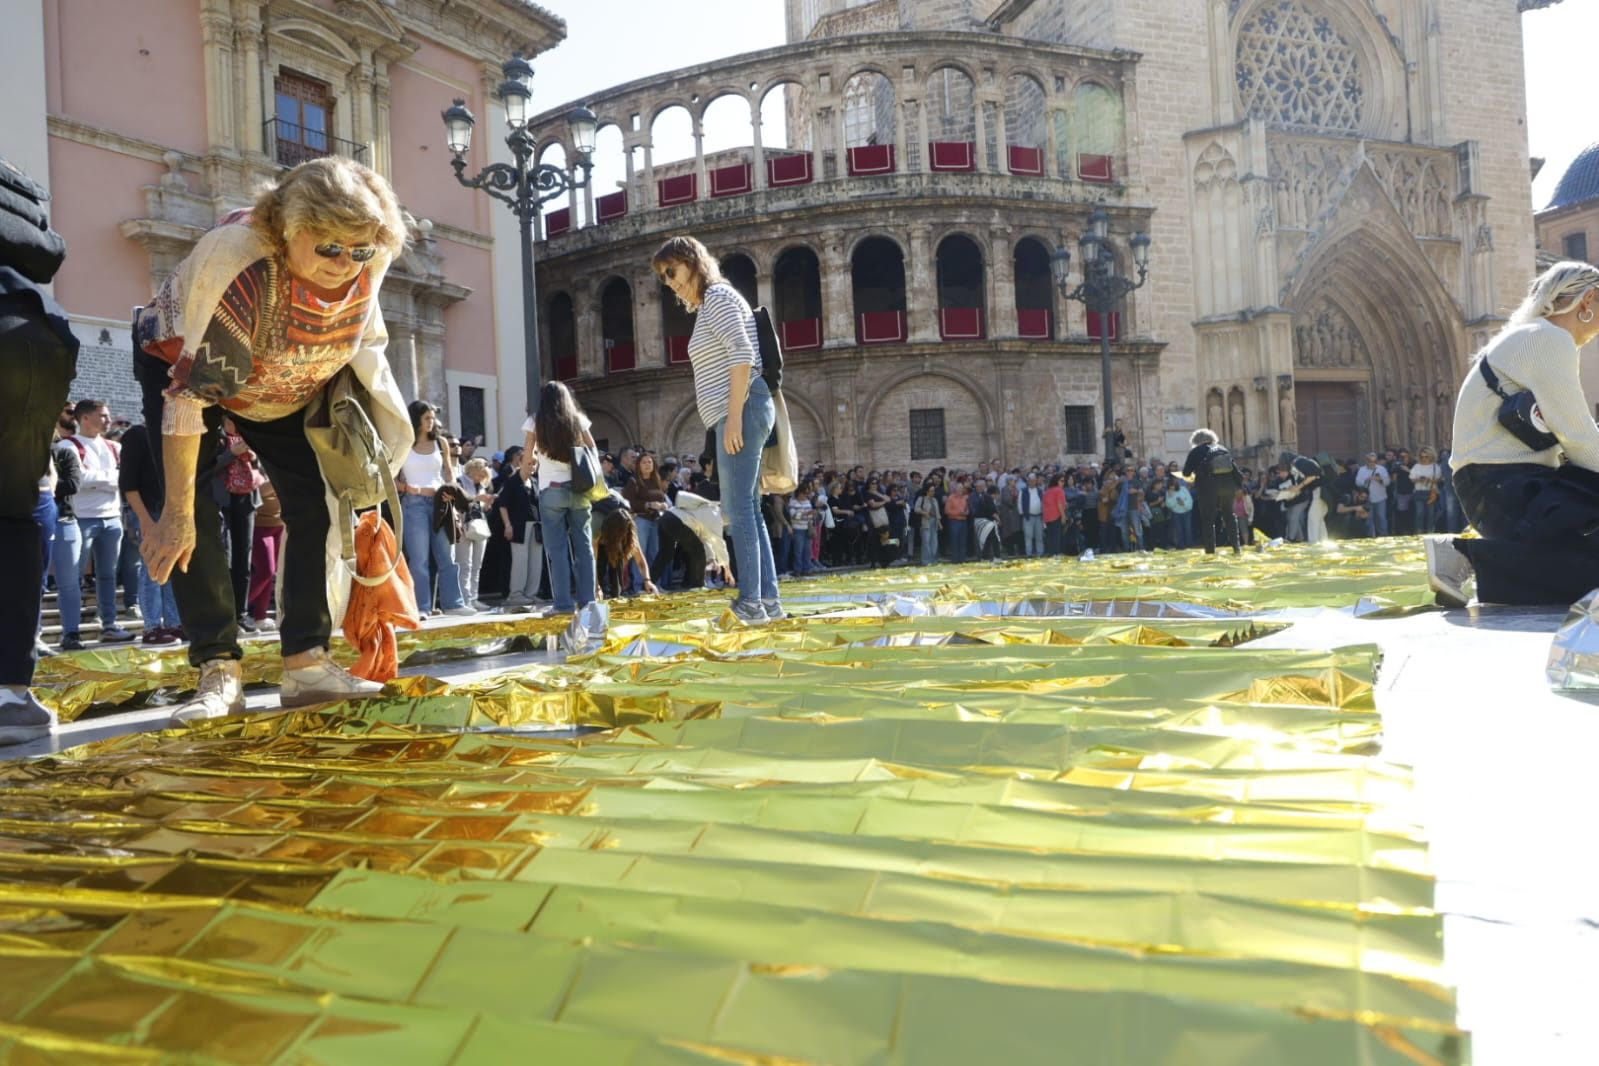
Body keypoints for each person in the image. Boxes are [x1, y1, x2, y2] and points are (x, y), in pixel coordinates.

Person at [134, 156, 412, 720]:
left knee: (314, 504)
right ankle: (218, 670)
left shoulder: (372, 253)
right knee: (191, 515)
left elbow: (358, 339)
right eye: (328, 246)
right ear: (288, 228)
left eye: (358, 249)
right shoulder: (236, 257)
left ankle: (307, 662)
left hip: (288, 379)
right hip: (184, 369)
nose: (345, 263)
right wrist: (176, 513)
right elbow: (190, 397)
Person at [1429, 263, 1599, 607]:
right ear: (1588, 300)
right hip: (1506, 486)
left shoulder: (1533, 335)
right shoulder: (1550, 339)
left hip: (1496, 489)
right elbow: (1578, 437)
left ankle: (1467, 559)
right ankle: (1466, 557)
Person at [653, 236, 782, 622]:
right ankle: (768, 601)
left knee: (740, 511)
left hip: (741, 408)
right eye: (664, 278)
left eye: (672, 271)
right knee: (750, 511)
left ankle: (751, 603)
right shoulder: (712, 303)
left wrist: (735, 418)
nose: (670, 282)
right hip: (740, 407)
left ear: (692, 262)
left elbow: (742, 355)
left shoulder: (718, 299)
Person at [0, 155, 79, 743]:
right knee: (15, 511)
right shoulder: (20, 203)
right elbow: (49, 253)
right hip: (37, 333)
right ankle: (10, 695)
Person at [58, 400, 136, 647]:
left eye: (108, 415)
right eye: (102, 415)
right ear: (84, 418)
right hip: (81, 518)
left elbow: (125, 478)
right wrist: (109, 479)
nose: (107, 420)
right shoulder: (68, 445)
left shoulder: (114, 446)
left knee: (108, 575)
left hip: (112, 518)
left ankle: (109, 625)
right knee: (73, 577)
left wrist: (99, 479)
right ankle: (70, 631)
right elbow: (77, 480)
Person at [520, 381, 598, 615]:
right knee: (584, 547)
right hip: (579, 488)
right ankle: (588, 602)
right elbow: (592, 449)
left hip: (551, 489)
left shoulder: (536, 420)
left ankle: (563, 604)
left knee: (557, 551)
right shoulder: (577, 419)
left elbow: (527, 454)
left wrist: (530, 465)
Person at [399, 401, 470, 619]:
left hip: (441, 503)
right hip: (414, 504)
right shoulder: (403, 444)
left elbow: (449, 473)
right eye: (427, 418)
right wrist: (409, 488)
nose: (432, 422)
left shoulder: (441, 443)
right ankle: (422, 607)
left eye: (432, 418)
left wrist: (452, 491)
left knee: (447, 556)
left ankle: (454, 603)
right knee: (419, 559)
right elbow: (391, 480)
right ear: (416, 420)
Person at [118, 422, 182, 645]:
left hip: (169, 512)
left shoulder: (172, 434)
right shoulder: (137, 435)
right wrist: (144, 520)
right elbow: (128, 483)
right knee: (151, 569)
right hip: (147, 511)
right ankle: (152, 626)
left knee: (170, 567)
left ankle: (174, 623)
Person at [215, 417, 263, 632]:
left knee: (244, 557)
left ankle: (241, 614)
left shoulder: (249, 435)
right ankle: (225, 615)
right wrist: (231, 454)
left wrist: (253, 457)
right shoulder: (215, 436)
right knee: (226, 557)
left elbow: (261, 467)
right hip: (223, 501)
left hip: (247, 499)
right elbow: (209, 466)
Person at [495, 445, 543, 607]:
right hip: (519, 526)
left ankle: (531, 593)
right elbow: (503, 505)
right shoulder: (512, 482)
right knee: (520, 561)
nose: (532, 466)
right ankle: (516, 594)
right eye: (529, 463)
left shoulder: (535, 482)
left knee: (535, 562)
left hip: (536, 526)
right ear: (520, 463)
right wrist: (508, 525)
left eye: (534, 463)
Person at [1181, 428, 1242, 555]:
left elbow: (1186, 472)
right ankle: (1236, 547)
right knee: (1229, 516)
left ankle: (1210, 550)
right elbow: (1235, 471)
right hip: (1228, 487)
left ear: (1196, 441)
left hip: (1208, 488)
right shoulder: (1222, 449)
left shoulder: (1196, 451)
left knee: (1208, 519)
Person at [623, 452, 669, 592]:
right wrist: (648, 505)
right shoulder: (634, 481)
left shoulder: (656, 480)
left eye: (650, 462)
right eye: (644, 462)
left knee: (654, 553)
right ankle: (639, 586)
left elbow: (661, 497)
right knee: (639, 553)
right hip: (641, 520)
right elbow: (628, 502)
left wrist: (663, 505)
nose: (647, 464)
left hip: (656, 520)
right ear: (638, 465)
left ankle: (655, 584)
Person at [456, 456, 495, 609]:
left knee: (476, 565)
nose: (480, 478)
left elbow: (481, 507)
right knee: (465, 564)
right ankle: (464, 600)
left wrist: (487, 503)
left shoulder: (481, 486)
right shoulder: (460, 481)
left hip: (479, 526)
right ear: (471, 470)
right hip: (464, 526)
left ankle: (473, 598)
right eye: (479, 474)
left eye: (483, 476)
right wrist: (478, 498)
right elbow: (458, 501)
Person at [595, 508, 658, 600]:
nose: (622, 536)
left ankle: (615, 595)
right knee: (600, 570)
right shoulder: (598, 532)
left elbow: (640, 561)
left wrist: (647, 580)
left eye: (624, 533)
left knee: (616, 588)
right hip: (603, 544)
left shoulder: (630, 533)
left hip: (616, 550)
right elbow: (592, 564)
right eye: (620, 535)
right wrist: (597, 587)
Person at [247, 475, 283, 630]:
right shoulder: (257, 464)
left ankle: (259, 617)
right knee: (265, 571)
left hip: (279, 525)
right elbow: (258, 491)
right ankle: (235, 613)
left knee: (271, 573)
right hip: (259, 526)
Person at [1353, 454, 1391, 537]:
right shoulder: (1362, 470)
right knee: (1368, 519)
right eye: (1370, 461)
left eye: (1374, 461)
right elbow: (1357, 482)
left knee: (1381, 518)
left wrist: (1380, 479)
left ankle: (1383, 536)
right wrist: (1367, 479)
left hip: (1380, 498)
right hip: (1367, 499)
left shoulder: (1381, 469)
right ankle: (1370, 537)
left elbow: (1388, 482)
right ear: (1366, 461)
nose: (1372, 463)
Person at [1409, 447, 1441, 535]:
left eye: (1426, 456)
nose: (1424, 458)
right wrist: (1419, 479)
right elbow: (1412, 479)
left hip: (1431, 493)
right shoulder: (1417, 466)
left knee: (1430, 514)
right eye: (1422, 456)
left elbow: (1438, 480)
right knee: (1419, 513)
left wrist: (1428, 480)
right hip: (1419, 492)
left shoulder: (1435, 466)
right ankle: (1419, 532)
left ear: (1430, 456)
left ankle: (1430, 532)